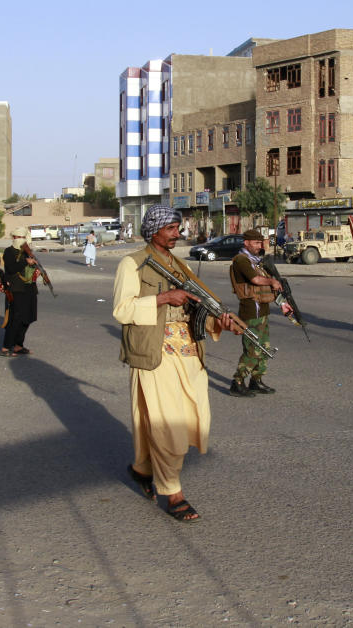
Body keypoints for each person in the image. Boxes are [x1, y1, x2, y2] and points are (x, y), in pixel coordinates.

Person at [112, 205, 237, 521]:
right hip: (156, 356)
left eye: (177, 228)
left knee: (185, 418)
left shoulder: (180, 265)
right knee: (166, 426)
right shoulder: (132, 264)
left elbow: (202, 306)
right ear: (154, 230)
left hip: (190, 355)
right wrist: (163, 298)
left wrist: (222, 321)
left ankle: (142, 469)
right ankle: (172, 492)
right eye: (170, 228)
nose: (176, 234)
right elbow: (122, 310)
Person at [228, 229, 291, 397]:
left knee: (264, 348)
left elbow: (268, 286)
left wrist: (283, 303)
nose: (259, 246)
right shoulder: (241, 260)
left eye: (260, 243)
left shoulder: (256, 262)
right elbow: (255, 280)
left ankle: (256, 380)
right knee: (252, 349)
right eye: (256, 243)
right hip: (250, 312)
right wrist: (271, 280)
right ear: (246, 243)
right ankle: (238, 382)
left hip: (262, 311)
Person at [0, 228, 38, 357]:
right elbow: (11, 268)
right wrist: (25, 262)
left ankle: (18, 345)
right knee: (15, 319)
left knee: (28, 318)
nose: (19, 240)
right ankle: (6, 347)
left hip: (29, 288)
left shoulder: (27, 251)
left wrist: (35, 270)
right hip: (16, 289)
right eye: (16, 237)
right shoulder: (9, 251)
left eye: (21, 237)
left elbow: (32, 267)